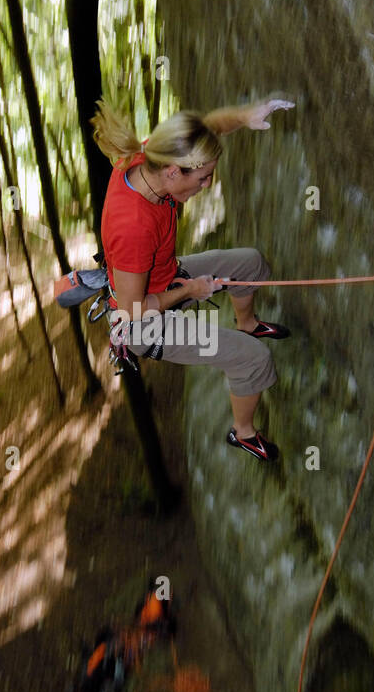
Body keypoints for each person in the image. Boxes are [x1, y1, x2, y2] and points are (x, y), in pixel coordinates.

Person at [92, 97, 294, 462]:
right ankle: (243, 433)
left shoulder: (150, 157)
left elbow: (209, 125)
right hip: (141, 324)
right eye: (203, 178)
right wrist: (191, 290)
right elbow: (134, 310)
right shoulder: (133, 227)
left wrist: (246, 115)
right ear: (174, 173)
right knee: (254, 360)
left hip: (161, 277)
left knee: (251, 264)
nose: (208, 183)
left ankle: (246, 324)